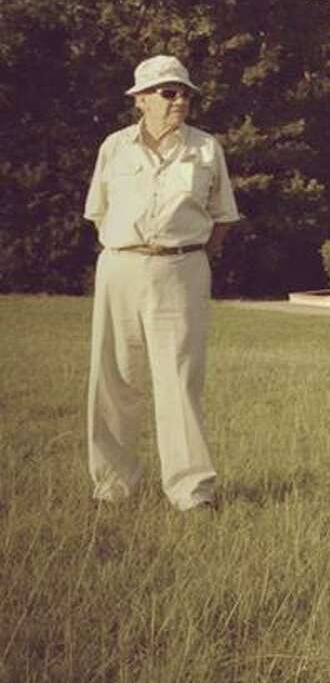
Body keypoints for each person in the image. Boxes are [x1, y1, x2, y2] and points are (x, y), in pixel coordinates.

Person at [84, 53, 240, 511]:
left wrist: (184, 256)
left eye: (185, 93)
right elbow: (99, 212)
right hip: (120, 268)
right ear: (141, 100)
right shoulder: (114, 147)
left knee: (179, 380)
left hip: (182, 270)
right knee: (113, 378)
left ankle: (191, 493)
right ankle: (112, 488)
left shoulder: (207, 148)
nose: (180, 101)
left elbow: (222, 218)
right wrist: (130, 251)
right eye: (169, 92)